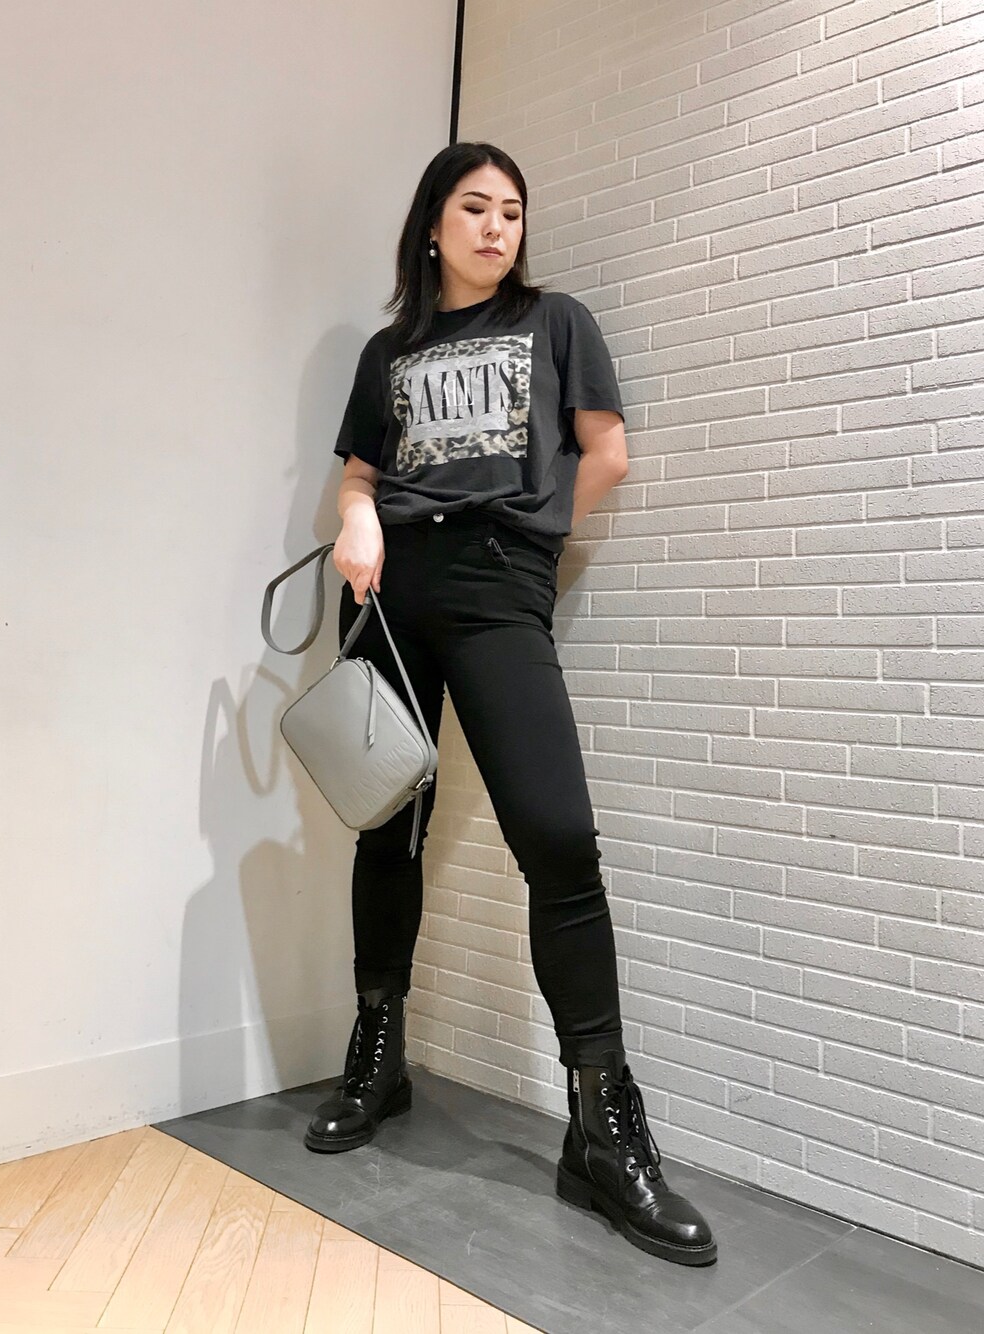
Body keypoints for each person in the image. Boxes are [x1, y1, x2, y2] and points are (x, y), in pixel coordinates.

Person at [303, 141, 717, 1267]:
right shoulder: (391, 350)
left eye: (513, 212)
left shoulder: (556, 322)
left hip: (496, 589)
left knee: (559, 837)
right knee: (389, 822)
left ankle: (602, 1124)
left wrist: (528, 533)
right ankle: (377, 1053)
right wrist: (358, 516)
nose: (497, 227)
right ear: (433, 224)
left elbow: (606, 454)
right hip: (389, 592)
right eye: (476, 207)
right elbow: (358, 472)